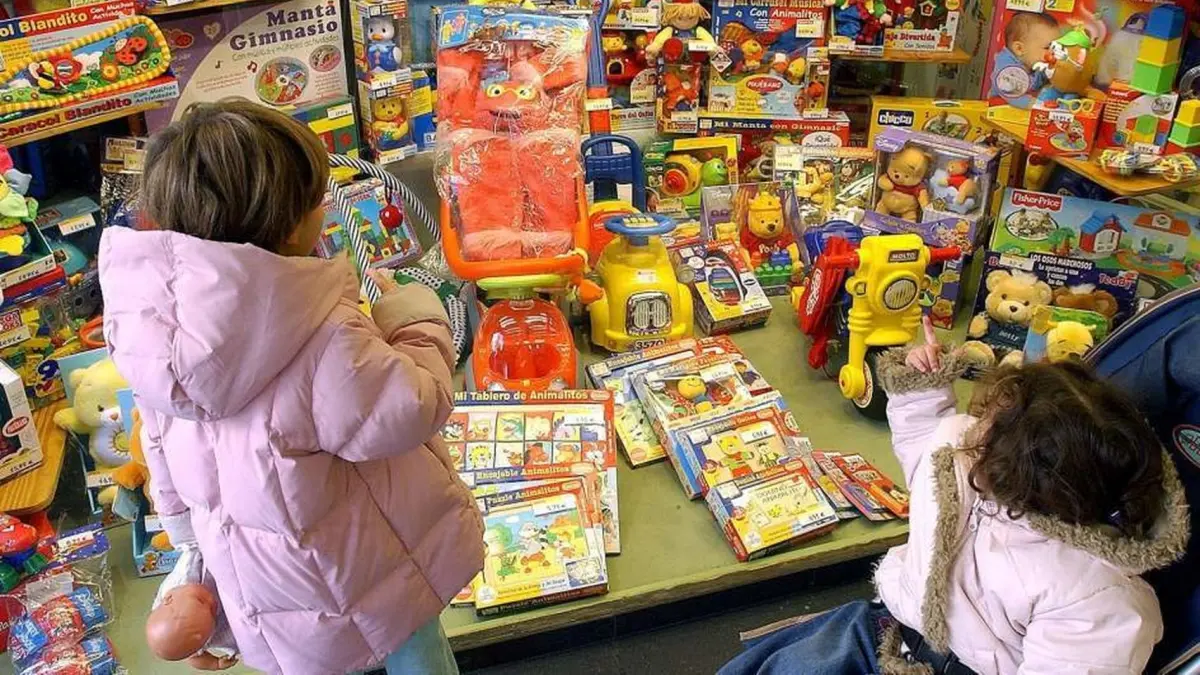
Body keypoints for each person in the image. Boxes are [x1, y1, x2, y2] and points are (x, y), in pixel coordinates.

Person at [99, 99, 484, 675]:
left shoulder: (152, 333)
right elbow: (411, 407)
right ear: (291, 226)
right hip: (370, 571)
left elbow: (160, 453)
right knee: (417, 657)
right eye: (318, 200)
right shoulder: (323, 333)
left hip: (269, 593)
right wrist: (413, 317)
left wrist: (191, 552)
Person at [720, 316, 1190, 675]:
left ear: (1013, 475)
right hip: (892, 628)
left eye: (988, 428)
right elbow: (926, 448)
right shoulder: (966, 456)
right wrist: (922, 388)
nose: (971, 426)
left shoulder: (1097, 597)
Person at [987, 11, 1060, 108]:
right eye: (1047, 48)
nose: (1053, 53)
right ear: (1019, 49)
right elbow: (1011, 94)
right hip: (1002, 108)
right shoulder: (1006, 67)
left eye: (1055, 48)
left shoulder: (1035, 63)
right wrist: (1037, 105)